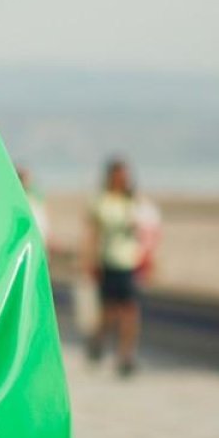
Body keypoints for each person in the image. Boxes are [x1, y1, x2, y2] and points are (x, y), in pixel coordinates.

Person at [84, 158, 144, 376]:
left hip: (129, 262)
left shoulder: (133, 201)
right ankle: (97, 341)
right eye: (120, 175)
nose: (124, 179)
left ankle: (125, 356)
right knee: (109, 312)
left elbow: (144, 233)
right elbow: (92, 234)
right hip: (108, 262)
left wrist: (149, 259)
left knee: (130, 311)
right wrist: (90, 261)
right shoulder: (101, 202)